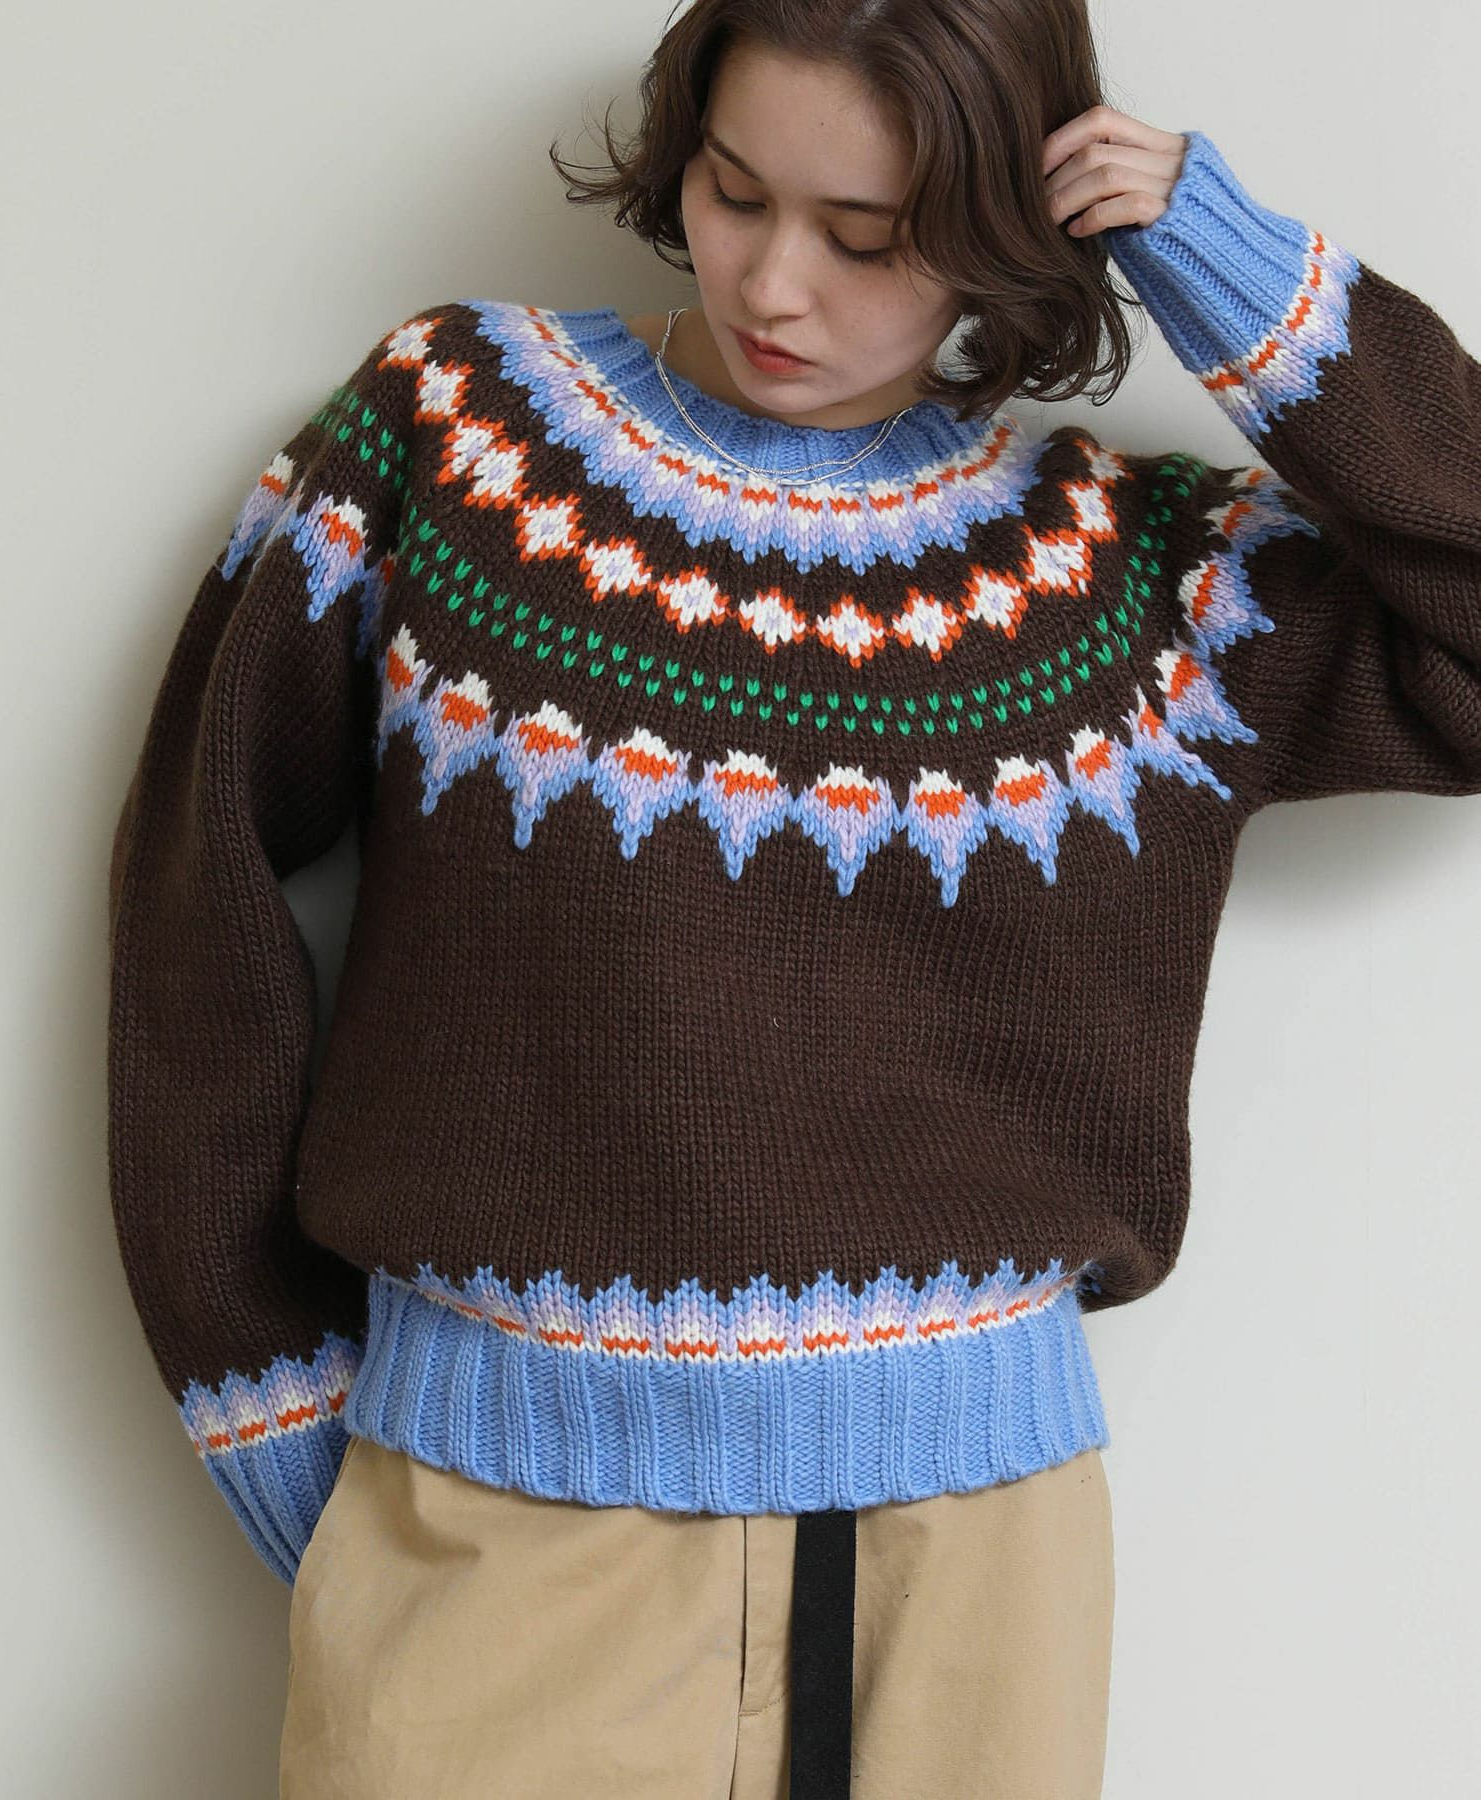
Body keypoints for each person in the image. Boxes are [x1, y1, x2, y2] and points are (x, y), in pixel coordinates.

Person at [104, 2, 1480, 1796]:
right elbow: (191, 899)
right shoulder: (459, 433)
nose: (773, 285)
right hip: (498, 1529)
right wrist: (275, 1411)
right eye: (735, 190)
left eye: (868, 236)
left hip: (966, 1578)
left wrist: (1223, 256)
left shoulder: (1128, 584)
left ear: (998, 230)